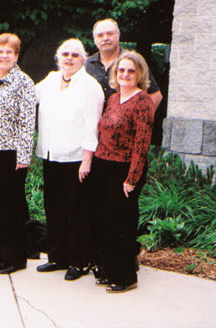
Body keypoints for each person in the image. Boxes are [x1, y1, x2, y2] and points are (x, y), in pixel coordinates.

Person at [34, 39, 104, 280]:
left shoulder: (89, 85)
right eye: (65, 54)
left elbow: (92, 126)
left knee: (77, 212)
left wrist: (87, 160)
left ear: (83, 59)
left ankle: (78, 260)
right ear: (58, 57)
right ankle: (57, 257)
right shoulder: (52, 79)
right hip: (51, 155)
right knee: (54, 209)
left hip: (76, 158)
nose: (70, 58)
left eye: (75, 54)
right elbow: (28, 96)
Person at [93, 51, 154, 293]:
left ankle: (125, 276)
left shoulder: (142, 101)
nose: (125, 74)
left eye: (130, 70)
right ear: (115, 74)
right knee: (105, 221)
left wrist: (132, 178)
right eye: (121, 70)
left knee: (121, 222)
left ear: (139, 74)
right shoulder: (113, 98)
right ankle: (108, 269)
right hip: (103, 165)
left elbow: (142, 143)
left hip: (125, 168)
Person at [0, 33, 36, 275]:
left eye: (9, 52)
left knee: (9, 207)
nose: (4, 56)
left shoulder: (24, 82)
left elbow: (27, 122)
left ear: (16, 55)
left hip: (10, 152)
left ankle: (14, 258)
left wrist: (23, 157)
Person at [85, 18, 162, 111]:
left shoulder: (133, 61)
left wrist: (140, 119)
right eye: (100, 35)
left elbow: (156, 95)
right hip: (92, 124)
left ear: (118, 35)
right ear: (95, 39)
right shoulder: (85, 65)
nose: (105, 38)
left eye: (110, 33)